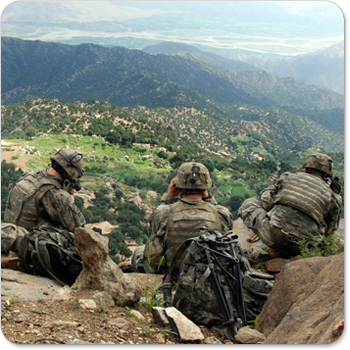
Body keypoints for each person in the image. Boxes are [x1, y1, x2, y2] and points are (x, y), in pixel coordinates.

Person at [132, 162, 233, 273]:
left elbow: (155, 226)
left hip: (173, 272)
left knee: (139, 251)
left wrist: (169, 196)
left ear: (177, 185)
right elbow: (225, 230)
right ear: (207, 185)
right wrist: (208, 198)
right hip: (208, 273)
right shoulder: (222, 214)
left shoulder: (164, 212)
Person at [238, 153, 342, 257]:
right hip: (304, 248)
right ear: (327, 175)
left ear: (306, 169)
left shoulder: (289, 177)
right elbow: (331, 229)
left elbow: (265, 200)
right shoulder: (333, 196)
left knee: (249, 204)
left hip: (274, 238)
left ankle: (275, 247)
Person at [2, 148, 86, 255]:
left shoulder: (29, 176)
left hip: (9, 243)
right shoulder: (57, 195)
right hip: (32, 253)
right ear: (70, 173)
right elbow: (80, 230)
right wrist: (70, 203)